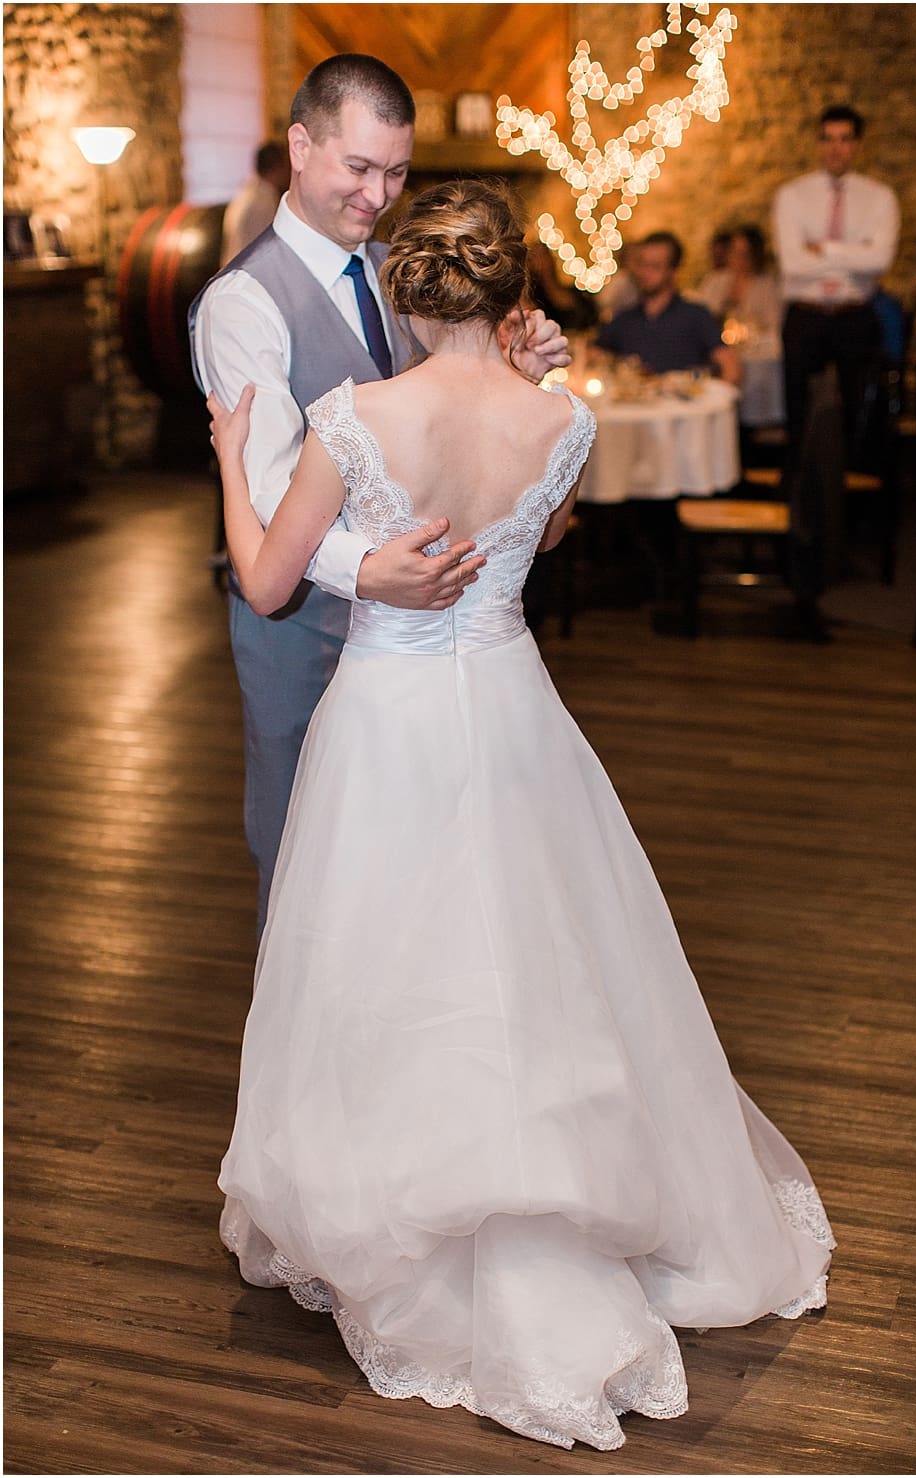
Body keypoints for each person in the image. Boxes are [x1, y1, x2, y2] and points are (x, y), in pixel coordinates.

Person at [204, 178, 832, 1451]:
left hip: (385, 714)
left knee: (389, 956)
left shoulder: (350, 418)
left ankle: (405, 1203)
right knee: (537, 958)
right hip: (510, 699)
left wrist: (231, 458)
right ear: (511, 290)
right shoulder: (565, 423)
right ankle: (547, 1180)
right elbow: (535, 546)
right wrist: (527, 378)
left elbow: (270, 580)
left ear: (400, 288)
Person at [189, 52, 570, 931]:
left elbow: (435, 422)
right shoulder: (243, 302)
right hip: (305, 639)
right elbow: (274, 484)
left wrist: (507, 377)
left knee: (430, 867)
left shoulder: (407, 272)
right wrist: (371, 572)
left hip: (430, 646)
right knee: (305, 872)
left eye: (396, 172)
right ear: (301, 144)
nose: (377, 195)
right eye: (358, 167)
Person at [772, 103, 898, 481]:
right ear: (819, 143)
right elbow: (792, 264)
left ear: (857, 144)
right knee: (799, 415)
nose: (835, 148)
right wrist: (853, 255)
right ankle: (799, 509)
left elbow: (879, 261)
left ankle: (853, 512)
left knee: (858, 415)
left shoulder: (879, 198)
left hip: (853, 316)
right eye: (828, 139)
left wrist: (823, 249)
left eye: (844, 139)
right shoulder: (793, 196)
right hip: (806, 315)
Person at [593, 232, 738, 383]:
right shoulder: (625, 318)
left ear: (673, 272)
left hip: (684, 404)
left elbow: (731, 367)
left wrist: (714, 401)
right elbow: (591, 355)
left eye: (655, 266)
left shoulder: (695, 315)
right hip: (634, 404)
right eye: (642, 264)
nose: (644, 272)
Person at [220, 140, 290, 266]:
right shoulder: (264, 199)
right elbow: (271, 248)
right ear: (278, 167)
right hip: (249, 275)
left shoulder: (246, 192)